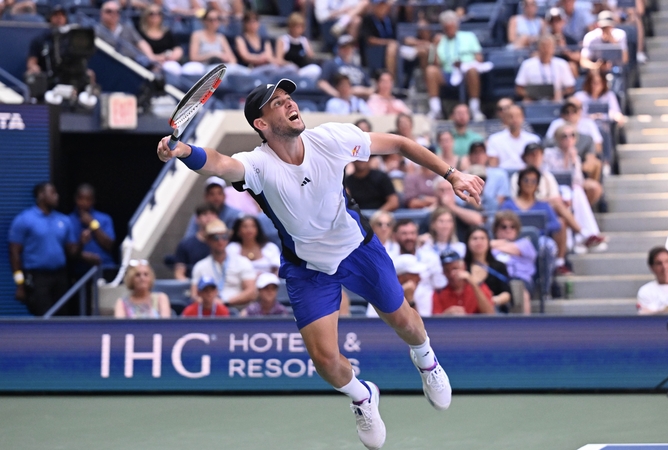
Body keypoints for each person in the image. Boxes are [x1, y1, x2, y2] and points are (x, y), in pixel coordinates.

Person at [156, 78, 485, 449]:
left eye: (288, 97)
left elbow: (400, 144)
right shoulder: (257, 165)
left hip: (357, 249)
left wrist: (453, 174)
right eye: (277, 103)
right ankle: (363, 396)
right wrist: (183, 150)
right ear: (261, 124)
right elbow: (218, 163)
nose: (289, 103)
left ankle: (427, 362)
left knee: (405, 322)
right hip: (308, 268)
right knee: (326, 361)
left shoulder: (331, 139)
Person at [8, 182, 79, 316]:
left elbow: (72, 252)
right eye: (53, 193)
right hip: (37, 277)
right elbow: (14, 253)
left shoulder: (64, 220)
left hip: (60, 276)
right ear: (41, 195)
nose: (57, 196)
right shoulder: (24, 219)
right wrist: (20, 284)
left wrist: (81, 243)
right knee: (44, 316)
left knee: (62, 316)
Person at [425, 10, 486, 121]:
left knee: (473, 70)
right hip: (447, 72)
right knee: (430, 70)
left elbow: (479, 58)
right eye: (447, 28)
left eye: (452, 27)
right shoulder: (439, 40)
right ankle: (435, 110)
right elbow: (432, 62)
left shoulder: (469, 36)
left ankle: (475, 109)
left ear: (457, 25)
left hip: (466, 71)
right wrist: (433, 46)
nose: (450, 30)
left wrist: (464, 63)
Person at [191, 219, 257, 308]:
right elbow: (194, 295)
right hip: (211, 311)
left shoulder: (242, 262)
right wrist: (212, 304)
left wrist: (225, 302)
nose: (220, 241)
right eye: (216, 237)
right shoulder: (200, 266)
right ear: (208, 240)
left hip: (238, 309)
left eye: (224, 236)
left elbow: (251, 292)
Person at [490, 210, 537, 313]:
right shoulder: (488, 246)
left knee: (520, 289)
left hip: (520, 279)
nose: (508, 230)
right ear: (496, 229)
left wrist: (493, 244)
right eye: (504, 227)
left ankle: (525, 322)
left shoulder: (524, 243)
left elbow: (514, 249)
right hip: (496, 280)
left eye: (513, 227)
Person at [69, 183, 116, 278]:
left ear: (93, 201)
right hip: (81, 272)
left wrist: (92, 223)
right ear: (76, 199)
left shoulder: (105, 218)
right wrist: (83, 255)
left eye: (88, 199)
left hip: (105, 268)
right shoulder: (68, 221)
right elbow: (70, 252)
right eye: (81, 199)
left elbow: (109, 245)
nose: (84, 203)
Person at [432, 250, 495, 315]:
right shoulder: (439, 293)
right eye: (447, 270)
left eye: (455, 268)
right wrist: (447, 314)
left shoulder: (480, 287)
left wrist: (472, 282)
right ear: (443, 272)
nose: (451, 274)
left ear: (463, 267)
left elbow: (490, 314)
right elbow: (435, 318)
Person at [464, 227, 512, 311]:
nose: (479, 242)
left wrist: (493, 300)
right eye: (474, 238)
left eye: (482, 238)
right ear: (467, 242)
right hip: (468, 310)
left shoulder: (499, 266)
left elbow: (507, 293)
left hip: (493, 309)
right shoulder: (462, 267)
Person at [515, 35, 576, 102]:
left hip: (555, 99)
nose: (546, 49)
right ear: (538, 48)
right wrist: (529, 94)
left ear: (554, 48)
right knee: (526, 101)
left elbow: (570, 87)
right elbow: (519, 89)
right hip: (533, 100)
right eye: (543, 46)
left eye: (549, 46)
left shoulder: (562, 64)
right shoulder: (527, 64)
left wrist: (560, 93)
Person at [486, 105, 541, 170]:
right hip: (503, 173)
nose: (514, 119)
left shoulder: (534, 139)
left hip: (527, 174)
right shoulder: (494, 139)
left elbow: (537, 164)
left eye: (517, 116)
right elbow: (493, 166)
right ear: (505, 119)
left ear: (523, 117)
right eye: (511, 116)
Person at [318, 35, 373, 99]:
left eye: (350, 47)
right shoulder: (331, 64)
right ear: (338, 49)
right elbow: (322, 83)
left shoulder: (358, 67)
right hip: (339, 100)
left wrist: (360, 91)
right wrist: (338, 95)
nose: (348, 50)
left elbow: (371, 88)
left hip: (359, 100)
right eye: (344, 47)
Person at [174, 204, 217, 280]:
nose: (209, 217)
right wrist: (191, 284)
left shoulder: (224, 242)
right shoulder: (185, 244)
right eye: (205, 214)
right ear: (197, 219)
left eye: (212, 214)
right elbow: (179, 274)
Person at [275, 12, 322, 80]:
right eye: (297, 26)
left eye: (302, 26)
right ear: (291, 27)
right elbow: (279, 60)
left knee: (316, 69)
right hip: (288, 70)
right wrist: (290, 64)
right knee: (291, 68)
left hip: (300, 71)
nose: (300, 29)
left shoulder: (304, 40)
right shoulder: (283, 40)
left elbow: (311, 56)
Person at [138, 4, 182, 73]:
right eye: (152, 14)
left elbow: (178, 49)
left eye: (158, 13)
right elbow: (146, 55)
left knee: (172, 67)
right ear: (146, 16)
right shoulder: (141, 33)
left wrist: (170, 57)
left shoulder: (167, 32)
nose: (155, 16)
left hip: (170, 61)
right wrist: (161, 57)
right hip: (151, 65)